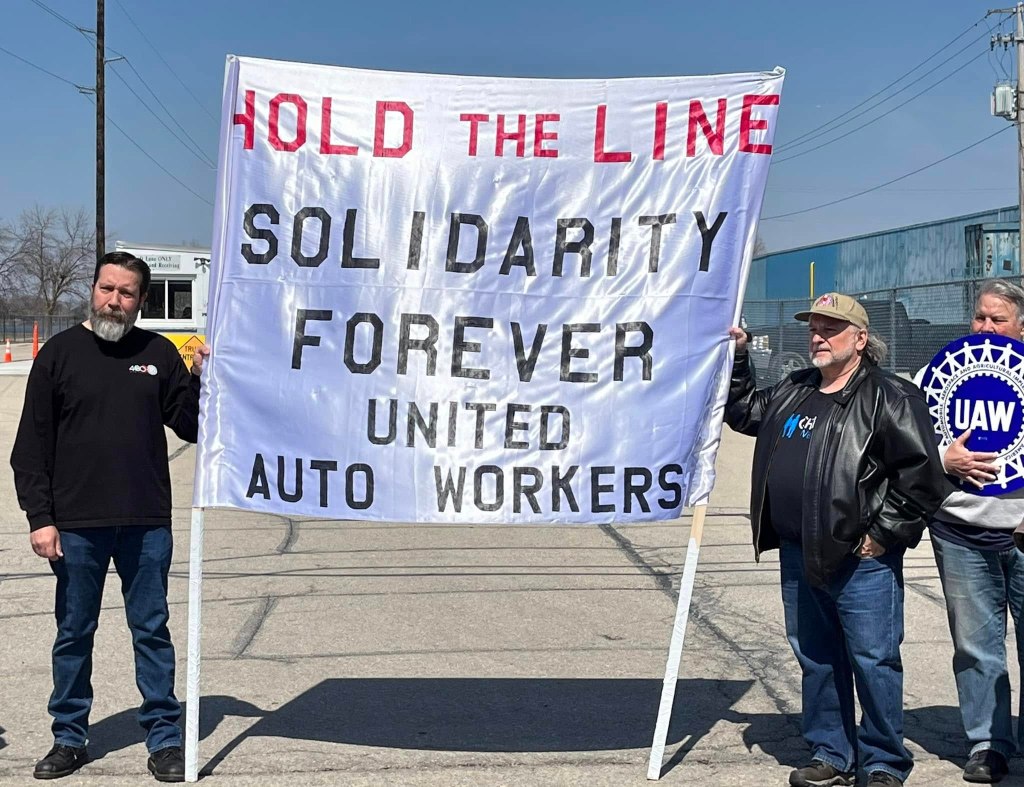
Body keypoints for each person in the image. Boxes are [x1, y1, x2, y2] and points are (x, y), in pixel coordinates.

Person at [725, 292, 945, 787]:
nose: (818, 337)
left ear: (860, 339)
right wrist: (739, 356)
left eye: (831, 329)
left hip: (860, 559)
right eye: (814, 328)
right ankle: (831, 754)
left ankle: (884, 762)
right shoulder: (795, 388)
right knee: (817, 658)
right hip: (799, 552)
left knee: (873, 661)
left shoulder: (890, 397)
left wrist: (882, 535)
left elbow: (922, 476)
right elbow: (744, 412)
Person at [11, 251, 211, 782]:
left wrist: (203, 377)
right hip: (76, 526)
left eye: (126, 293)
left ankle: (164, 739)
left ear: (141, 300)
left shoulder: (158, 353)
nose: (114, 301)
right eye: (106, 289)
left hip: (146, 522)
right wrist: (40, 518)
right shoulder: (58, 355)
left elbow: (191, 426)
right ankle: (69, 737)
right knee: (74, 633)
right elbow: (30, 447)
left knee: (151, 631)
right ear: (93, 289)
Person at [921, 279, 1024, 784]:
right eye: (980, 317)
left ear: (1021, 326)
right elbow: (910, 440)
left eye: (997, 319)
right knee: (977, 647)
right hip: (960, 530)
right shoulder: (940, 373)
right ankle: (988, 744)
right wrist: (944, 457)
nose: (986, 327)